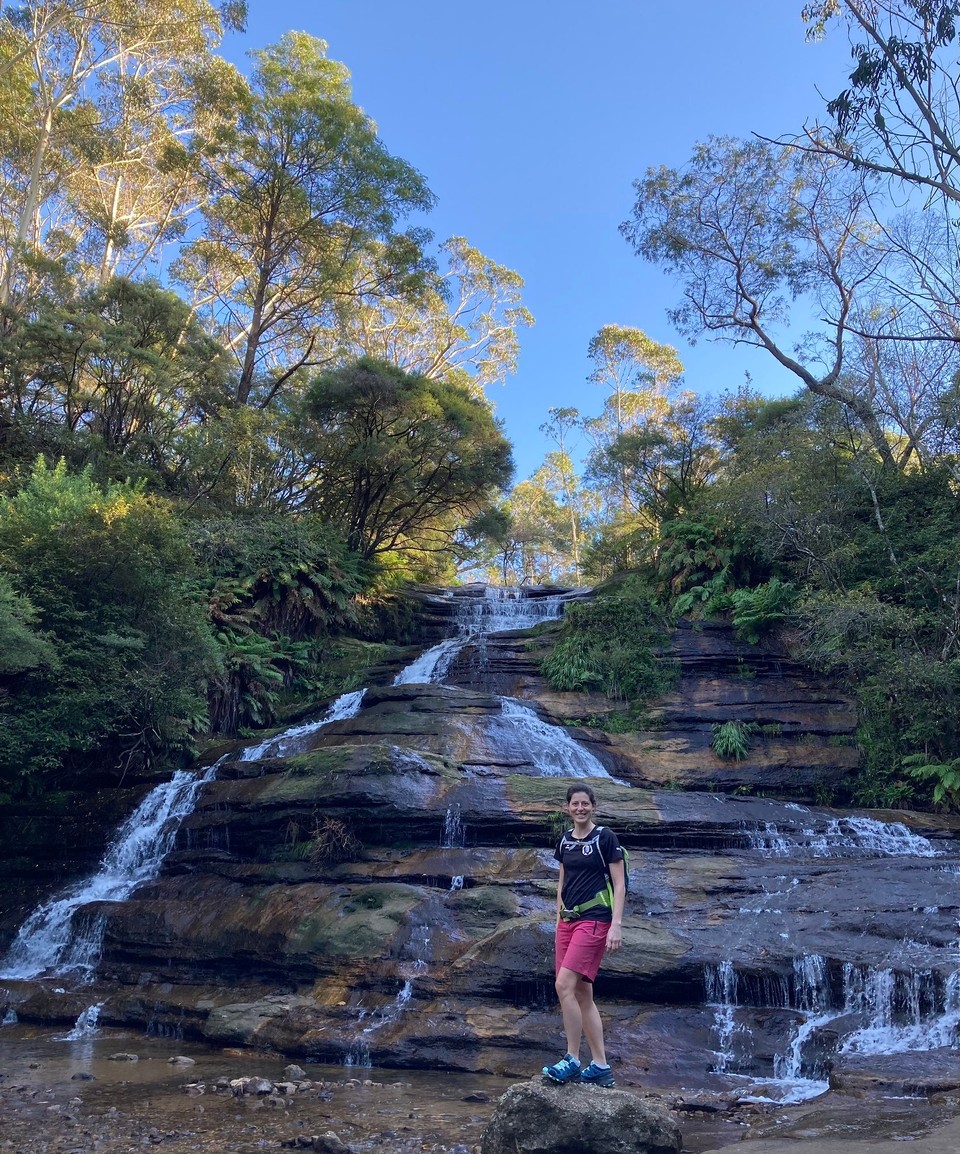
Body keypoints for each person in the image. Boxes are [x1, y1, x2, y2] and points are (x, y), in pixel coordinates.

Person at [542, 783, 625, 1088]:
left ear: (593, 806)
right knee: (581, 994)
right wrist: (558, 920)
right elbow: (561, 882)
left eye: (585, 803)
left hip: (594, 920)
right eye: (574, 804)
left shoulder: (605, 838)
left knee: (563, 985)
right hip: (567, 922)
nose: (579, 808)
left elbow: (619, 885)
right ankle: (601, 1067)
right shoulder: (564, 841)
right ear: (568, 808)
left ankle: (572, 1060)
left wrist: (616, 924)